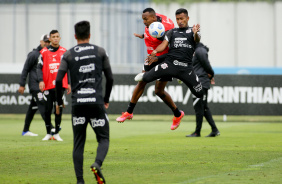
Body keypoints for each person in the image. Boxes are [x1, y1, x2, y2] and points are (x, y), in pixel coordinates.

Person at [55, 20, 113, 184]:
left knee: (78, 143)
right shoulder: (99, 51)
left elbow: (58, 80)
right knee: (103, 138)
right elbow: (110, 77)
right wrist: (106, 99)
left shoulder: (69, 54)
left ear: (75, 36)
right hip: (96, 102)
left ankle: (80, 181)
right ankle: (97, 163)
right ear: (89, 35)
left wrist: (59, 101)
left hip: (78, 104)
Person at [135, 8, 204, 129]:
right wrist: (155, 51)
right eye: (177, 19)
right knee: (145, 78)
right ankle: (144, 75)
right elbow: (163, 45)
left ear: (187, 18)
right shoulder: (172, 32)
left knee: (199, 93)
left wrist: (195, 33)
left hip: (186, 68)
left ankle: (183, 78)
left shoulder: (192, 31)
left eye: (182, 19)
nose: (180, 21)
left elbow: (197, 39)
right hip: (170, 65)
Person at [116, 8, 184, 130]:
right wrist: (143, 36)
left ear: (153, 18)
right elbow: (153, 32)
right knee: (142, 81)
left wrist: (159, 57)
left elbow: (172, 50)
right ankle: (129, 112)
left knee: (158, 91)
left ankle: (178, 114)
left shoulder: (167, 29)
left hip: (163, 59)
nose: (144, 22)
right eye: (143, 19)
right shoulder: (154, 19)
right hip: (151, 58)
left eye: (145, 19)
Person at [37, 30, 70, 141]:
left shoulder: (64, 52)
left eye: (57, 36)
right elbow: (39, 68)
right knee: (47, 109)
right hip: (47, 84)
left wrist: (69, 83)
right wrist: (41, 80)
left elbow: (68, 69)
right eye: (53, 37)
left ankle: (56, 133)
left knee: (58, 109)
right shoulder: (44, 52)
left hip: (60, 86)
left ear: (59, 38)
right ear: (50, 39)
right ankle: (48, 133)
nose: (55, 38)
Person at [19, 34, 51, 136]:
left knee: (32, 108)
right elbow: (25, 69)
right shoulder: (34, 54)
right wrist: (22, 84)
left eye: (48, 42)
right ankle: (51, 128)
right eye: (45, 42)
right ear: (40, 42)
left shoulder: (48, 54)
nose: (47, 44)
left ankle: (25, 130)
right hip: (35, 85)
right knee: (42, 105)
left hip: (42, 85)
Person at [186, 42, 220, 137]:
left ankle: (197, 132)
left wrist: (211, 73)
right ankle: (214, 130)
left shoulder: (199, 50)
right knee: (204, 107)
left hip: (199, 82)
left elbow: (206, 63)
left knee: (199, 107)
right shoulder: (199, 50)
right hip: (201, 81)